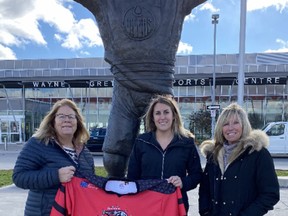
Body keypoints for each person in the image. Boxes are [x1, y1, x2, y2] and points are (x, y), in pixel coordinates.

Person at [73, 0, 207, 177]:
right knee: (114, 157)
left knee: (163, 153)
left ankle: (165, 195)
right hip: (124, 90)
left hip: (160, 88)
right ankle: (119, 196)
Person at [13, 98, 95, 216]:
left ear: (78, 122)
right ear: (53, 121)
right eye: (61, 116)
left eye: (71, 117)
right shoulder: (39, 143)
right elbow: (19, 177)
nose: (67, 120)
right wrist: (56, 176)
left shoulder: (85, 152)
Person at [198, 103, 280, 216]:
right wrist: (205, 212)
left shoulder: (258, 154)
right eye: (225, 124)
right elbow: (205, 189)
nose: (230, 128)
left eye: (236, 123)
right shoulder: (213, 154)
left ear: (244, 125)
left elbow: (270, 194)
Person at [127, 95, 203, 213]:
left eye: (166, 112)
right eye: (158, 113)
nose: (162, 117)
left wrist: (183, 182)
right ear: (152, 117)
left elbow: (197, 175)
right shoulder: (141, 142)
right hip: (146, 205)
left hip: (175, 205)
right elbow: (132, 178)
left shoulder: (186, 143)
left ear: (174, 115)